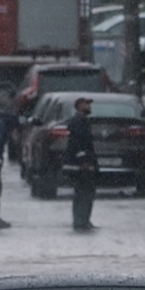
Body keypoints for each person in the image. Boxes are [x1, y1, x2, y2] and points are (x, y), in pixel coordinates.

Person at [64, 97, 98, 231]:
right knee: (83, 192)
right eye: (87, 104)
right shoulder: (79, 122)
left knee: (86, 192)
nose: (89, 106)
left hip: (84, 164)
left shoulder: (83, 121)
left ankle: (84, 220)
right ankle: (80, 221)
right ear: (79, 106)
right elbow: (79, 143)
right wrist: (84, 161)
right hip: (80, 165)